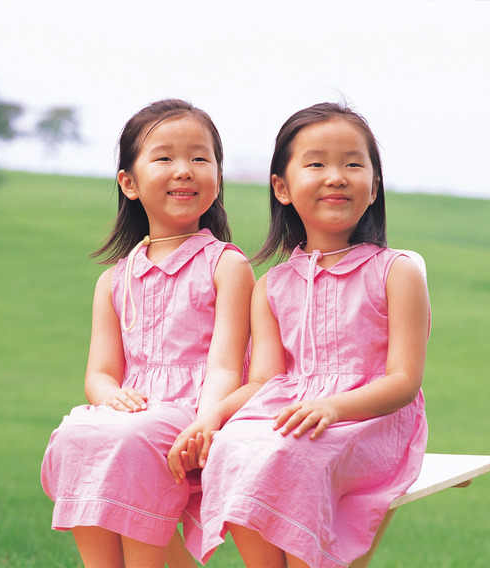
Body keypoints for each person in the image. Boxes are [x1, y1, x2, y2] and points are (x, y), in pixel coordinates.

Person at [168, 102, 430, 567]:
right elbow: (262, 382)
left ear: (374, 188)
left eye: (353, 164)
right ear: (282, 188)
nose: (336, 176)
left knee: (293, 452)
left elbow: (403, 382)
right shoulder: (272, 285)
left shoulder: (396, 272)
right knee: (234, 445)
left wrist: (332, 406)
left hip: (370, 420)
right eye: (317, 164)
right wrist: (212, 419)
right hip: (291, 415)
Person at [41, 99, 255, 568]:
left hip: (195, 412)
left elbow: (225, 364)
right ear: (129, 183)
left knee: (135, 438)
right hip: (134, 410)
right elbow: (99, 373)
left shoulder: (226, 264)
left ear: (218, 178)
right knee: (75, 434)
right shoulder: (115, 280)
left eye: (200, 158)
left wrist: (207, 420)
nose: (185, 170)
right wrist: (109, 395)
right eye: (165, 158)